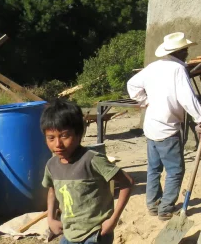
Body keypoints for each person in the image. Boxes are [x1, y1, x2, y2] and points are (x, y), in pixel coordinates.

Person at [126, 32, 201, 220]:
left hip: (151, 126)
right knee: (175, 170)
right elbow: (187, 98)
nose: (186, 52)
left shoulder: (153, 67)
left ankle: (153, 204)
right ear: (178, 51)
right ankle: (166, 209)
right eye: (184, 49)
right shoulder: (178, 69)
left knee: (154, 169)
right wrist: (200, 118)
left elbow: (132, 84)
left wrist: (144, 101)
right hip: (167, 129)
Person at [41, 100, 134, 244]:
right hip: (70, 233)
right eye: (51, 138)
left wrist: (113, 220)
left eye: (65, 136)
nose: (58, 144)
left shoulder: (92, 160)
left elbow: (126, 182)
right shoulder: (51, 165)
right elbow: (52, 190)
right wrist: (51, 219)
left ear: (79, 134)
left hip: (96, 233)